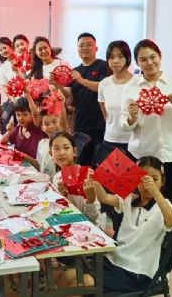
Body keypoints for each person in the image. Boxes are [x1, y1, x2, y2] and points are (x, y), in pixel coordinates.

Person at [83, 156, 172, 292]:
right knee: (71, 275)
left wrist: (156, 193)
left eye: (154, 179)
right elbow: (104, 198)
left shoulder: (164, 206)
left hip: (137, 272)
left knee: (83, 281)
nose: (147, 185)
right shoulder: (129, 199)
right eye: (142, 179)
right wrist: (96, 181)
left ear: (163, 181)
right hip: (113, 260)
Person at [121, 39, 172, 203]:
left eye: (153, 57)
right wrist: (131, 118)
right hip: (142, 155)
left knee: (171, 202)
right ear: (137, 62)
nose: (149, 63)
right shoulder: (131, 88)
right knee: (142, 201)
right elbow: (124, 125)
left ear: (160, 56)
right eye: (143, 59)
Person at [69, 33, 110, 166]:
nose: (84, 48)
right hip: (80, 125)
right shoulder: (75, 70)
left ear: (96, 48)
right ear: (77, 49)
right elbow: (69, 95)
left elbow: (103, 87)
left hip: (100, 125)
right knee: (81, 163)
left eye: (88, 45)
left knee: (99, 164)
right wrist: (56, 84)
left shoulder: (104, 66)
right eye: (81, 45)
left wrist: (82, 80)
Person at [97, 40, 135, 164]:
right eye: (111, 57)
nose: (115, 61)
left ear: (127, 58)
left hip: (134, 141)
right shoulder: (104, 84)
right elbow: (105, 114)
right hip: (110, 140)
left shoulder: (138, 82)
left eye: (120, 56)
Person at [50, 132, 99, 222]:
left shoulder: (88, 177)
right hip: (68, 222)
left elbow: (93, 219)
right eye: (56, 148)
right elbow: (62, 211)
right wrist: (63, 195)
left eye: (66, 147)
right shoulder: (57, 177)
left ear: (75, 152)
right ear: (51, 154)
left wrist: (91, 200)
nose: (62, 153)